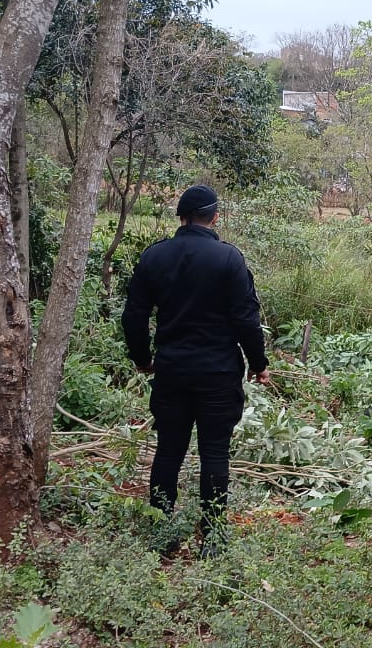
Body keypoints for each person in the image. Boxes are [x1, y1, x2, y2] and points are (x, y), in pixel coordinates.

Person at [121, 185, 271, 557]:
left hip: (171, 371)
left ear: (182, 217)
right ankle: (213, 538)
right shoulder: (228, 258)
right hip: (218, 374)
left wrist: (142, 358)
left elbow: (134, 316)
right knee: (215, 453)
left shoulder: (155, 256)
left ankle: (161, 532)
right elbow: (246, 319)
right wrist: (258, 364)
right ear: (215, 216)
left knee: (168, 451)